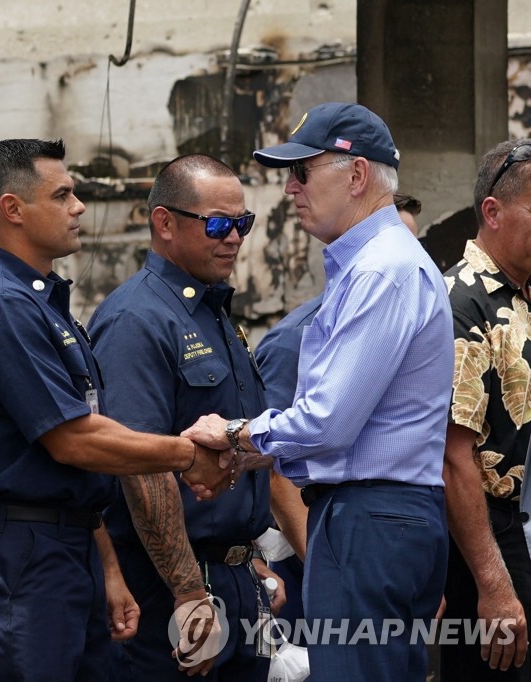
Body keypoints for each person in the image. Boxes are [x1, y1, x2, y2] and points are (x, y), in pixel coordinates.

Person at [0, 138, 229, 681]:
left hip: (68, 544)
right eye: (64, 194)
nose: (79, 208)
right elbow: (73, 441)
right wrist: (185, 454)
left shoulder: (40, 303)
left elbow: (78, 465)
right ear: (13, 209)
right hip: (23, 557)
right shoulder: (1, 305)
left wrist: (109, 568)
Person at [185, 102, 454, 680]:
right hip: (378, 515)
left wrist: (233, 435)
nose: (289, 188)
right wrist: (247, 451)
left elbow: (328, 421)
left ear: (356, 175)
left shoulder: (382, 269)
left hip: (371, 516)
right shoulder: (376, 267)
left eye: (303, 171)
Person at [88, 153, 284, 681]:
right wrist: (188, 592)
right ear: (165, 223)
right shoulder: (137, 318)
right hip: (171, 583)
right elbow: (139, 463)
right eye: (218, 224)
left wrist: (247, 562)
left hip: (235, 576)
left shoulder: (214, 314)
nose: (234, 238)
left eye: (243, 223)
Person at [255, 192, 425, 629]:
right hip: (314, 550)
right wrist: (333, 575)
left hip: (385, 545)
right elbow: (274, 466)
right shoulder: (297, 337)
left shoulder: (413, 323)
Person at [439, 139, 531, 679]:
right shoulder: (461, 300)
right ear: (492, 212)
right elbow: (453, 458)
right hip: (484, 538)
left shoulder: (520, 295)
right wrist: (493, 584)